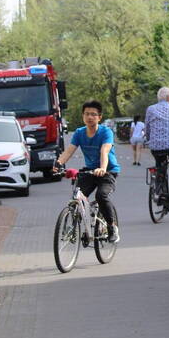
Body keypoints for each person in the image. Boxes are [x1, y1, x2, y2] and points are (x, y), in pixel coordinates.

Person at [55, 100, 121, 243]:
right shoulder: (79, 133)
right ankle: (75, 225)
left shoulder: (106, 132)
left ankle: (112, 227)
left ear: (99, 117)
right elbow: (69, 151)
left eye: (93, 114)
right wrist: (58, 163)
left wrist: (103, 168)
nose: (89, 117)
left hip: (108, 170)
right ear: (83, 116)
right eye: (86, 114)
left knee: (101, 196)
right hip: (90, 171)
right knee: (78, 196)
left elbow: (105, 150)